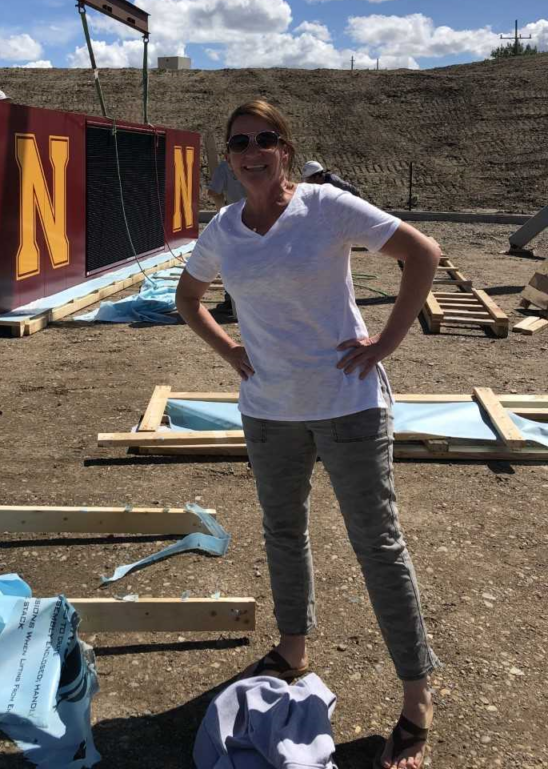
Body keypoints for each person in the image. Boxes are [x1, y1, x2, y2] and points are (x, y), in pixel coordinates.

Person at [176, 99, 441, 769]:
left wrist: (385, 342)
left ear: (285, 149)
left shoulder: (323, 207)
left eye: (266, 139)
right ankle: (293, 648)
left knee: (377, 546)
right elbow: (188, 297)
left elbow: (422, 253)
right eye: (240, 142)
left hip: (346, 405)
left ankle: (417, 698)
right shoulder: (225, 229)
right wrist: (230, 351)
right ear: (229, 156)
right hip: (268, 410)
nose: (252, 151)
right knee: (282, 532)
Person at [207, 159, 246, 315]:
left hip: (235, 221)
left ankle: (232, 301)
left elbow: (214, 192)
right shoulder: (259, 164)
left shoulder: (225, 167)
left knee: (232, 261)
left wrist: (222, 213)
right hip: (260, 218)